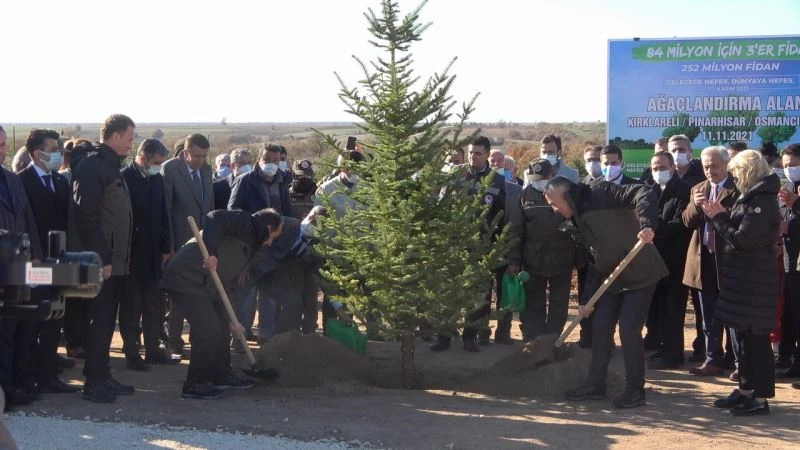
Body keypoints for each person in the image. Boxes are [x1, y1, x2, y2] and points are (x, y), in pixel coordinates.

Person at [545, 176, 667, 408]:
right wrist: (588, 299)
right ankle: (596, 384)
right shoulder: (575, 221)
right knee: (600, 326)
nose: (553, 209)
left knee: (629, 328)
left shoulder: (600, 193)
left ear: (563, 196)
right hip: (613, 276)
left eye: (553, 203)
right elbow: (595, 261)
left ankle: (635, 390)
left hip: (642, 270)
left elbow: (644, 193)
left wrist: (647, 225)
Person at [161, 208, 283, 399]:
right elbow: (213, 217)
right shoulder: (245, 222)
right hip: (186, 278)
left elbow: (228, 283)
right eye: (272, 237)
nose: (270, 243)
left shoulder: (250, 250)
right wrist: (211, 253)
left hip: (210, 287)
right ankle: (195, 384)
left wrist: (233, 320)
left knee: (222, 328)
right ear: (268, 227)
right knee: (208, 328)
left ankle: (220, 374)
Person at [706, 150, 779, 416]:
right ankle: (746, 390)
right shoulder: (750, 196)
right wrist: (722, 216)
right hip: (742, 280)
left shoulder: (762, 201)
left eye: (736, 173)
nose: (734, 178)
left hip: (755, 282)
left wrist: (719, 218)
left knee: (757, 342)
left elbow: (742, 240)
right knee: (742, 339)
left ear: (747, 172)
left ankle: (760, 399)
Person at [69, 114, 135, 403]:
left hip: (115, 261)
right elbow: (88, 217)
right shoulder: (93, 166)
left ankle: (103, 374)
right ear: (116, 136)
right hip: (101, 262)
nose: (132, 145)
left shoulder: (109, 165)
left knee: (108, 321)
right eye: (130, 138)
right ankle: (94, 383)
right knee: (100, 319)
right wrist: (103, 257)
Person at [16, 129, 77, 397]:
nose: (58, 153)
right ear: (36, 153)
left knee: (55, 318)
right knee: (31, 321)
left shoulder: (60, 182)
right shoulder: (20, 182)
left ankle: (48, 373)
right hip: (33, 264)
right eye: (52, 148)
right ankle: (26, 376)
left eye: (59, 148)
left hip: (58, 261)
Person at [430, 136, 506, 352]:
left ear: (487, 155)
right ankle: (444, 337)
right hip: (454, 244)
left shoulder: (496, 181)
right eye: (471, 152)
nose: (473, 157)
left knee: (479, 294)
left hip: (481, 246)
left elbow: (500, 215)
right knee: (448, 291)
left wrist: (496, 244)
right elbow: (441, 205)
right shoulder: (455, 175)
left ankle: (470, 337)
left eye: (478, 153)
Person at [682, 146, 739, 377]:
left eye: (714, 165)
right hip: (703, 257)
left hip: (729, 260)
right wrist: (696, 205)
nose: (710, 170)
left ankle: (736, 361)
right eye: (706, 166)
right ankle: (712, 358)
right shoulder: (698, 189)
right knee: (708, 314)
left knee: (733, 315)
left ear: (726, 165)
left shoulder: (738, 188)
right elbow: (686, 221)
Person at [120, 139, 176, 367]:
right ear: (142, 158)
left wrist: (166, 247)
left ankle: (153, 350)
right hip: (131, 254)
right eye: (155, 162)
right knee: (131, 306)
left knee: (154, 304)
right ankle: (132, 352)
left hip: (154, 254)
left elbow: (164, 215)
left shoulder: (157, 179)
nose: (158, 167)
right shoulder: (124, 179)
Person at [507, 159, 575, 341]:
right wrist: (514, 260)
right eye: (534, 178)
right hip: (533, 260)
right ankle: (533, 339)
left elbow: (577, 226)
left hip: (562, 259)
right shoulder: (523, 197)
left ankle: (552, 339)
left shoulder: (565, 194)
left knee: (558, 304)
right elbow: (515, 231)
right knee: (533, 303)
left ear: (551, 176)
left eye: (542, 178)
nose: (538, 182)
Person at [162, 133, 214, 356]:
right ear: (185, 152)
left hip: (202, 242)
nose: (200, 160)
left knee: (201, 290)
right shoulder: (170, 170)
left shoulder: (206, 170)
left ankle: (198, 337)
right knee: (178, 295)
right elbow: (165, 210)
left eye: (204, 156)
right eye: (196, 156)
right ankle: (173, 341)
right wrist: (169, 245)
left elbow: (208, 207)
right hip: (179, 243)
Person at [645, 152, 692, 370]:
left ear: (672, 168)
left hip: (676, 258)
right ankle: (663, 348)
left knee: (674, 308)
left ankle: (674, 354)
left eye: (662, 167)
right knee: (660, 307)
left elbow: (680, 224)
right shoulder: (651, 191)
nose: (658, 172)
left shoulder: (683, 191)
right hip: (654, 258)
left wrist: (653, 230)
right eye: (654, 168)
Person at [777, 143, 800, 380]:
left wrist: (796, 205)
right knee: (791, 313)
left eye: (793, 165)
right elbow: (782, 218)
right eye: (785, 166)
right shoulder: (787, 188)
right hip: (790, 260)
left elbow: (791, 222)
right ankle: (789, 358)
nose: (789, 170)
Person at [228, 143, 292, 216]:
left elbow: (287, 209)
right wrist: (254, 221)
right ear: (258, 160)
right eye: (267, 159)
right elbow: (234, 210)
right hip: (252, 226)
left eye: (275, 160)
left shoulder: (283, 180)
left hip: (278, 226)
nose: (271, 163)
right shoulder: (245, 180)